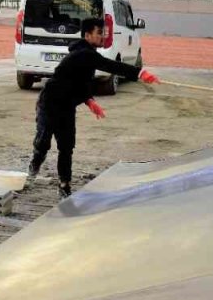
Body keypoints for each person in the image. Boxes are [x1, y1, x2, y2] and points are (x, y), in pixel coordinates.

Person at [28, 16, 159, 198]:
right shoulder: (85, 54)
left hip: (66, 105)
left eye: (103, 33)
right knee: (43, 143)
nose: (103, 37)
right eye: (99, 33)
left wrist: (90, 101)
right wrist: (140, 72)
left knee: (66, 147)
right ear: (88, 35)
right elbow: (110, 65)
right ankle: (32, 171)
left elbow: (79, 82)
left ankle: (64, 185)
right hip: (49, 103)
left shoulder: (85, 54)